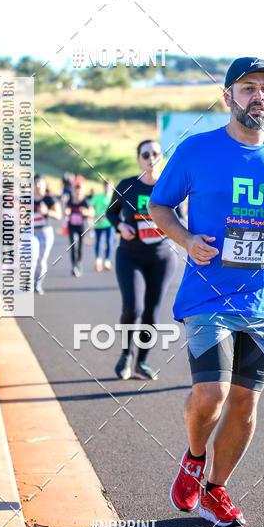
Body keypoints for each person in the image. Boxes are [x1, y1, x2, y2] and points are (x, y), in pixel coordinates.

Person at [148, 56, 264, 526]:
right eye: (248, 88)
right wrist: (186, 239)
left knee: (246, 400)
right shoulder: (196, 150)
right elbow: (159, 205)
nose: (259, 95)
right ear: (228, 97)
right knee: (212, 393)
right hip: (208, 294)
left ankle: (215, 490)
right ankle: (194, 457)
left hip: (263, 298)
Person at [106, 139, 183, 382]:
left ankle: (142, 362)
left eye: (155, 153)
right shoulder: (127, 185)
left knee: (151, 311)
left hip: (162, 258)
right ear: (138, 159)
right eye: (146, 154)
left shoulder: (169, 186)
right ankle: (126, 355)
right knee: (133, 308)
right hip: (130, 255)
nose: (151, 158)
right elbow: (111, 212)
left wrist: (169, 229)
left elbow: (180, 218)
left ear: (161, 157)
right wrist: (120, 226)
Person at [32, 174, 61, 294]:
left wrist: (46, 212)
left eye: (40, 182)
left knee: (41, 259)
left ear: (45, 184)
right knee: (31, 256)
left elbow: (59, 215)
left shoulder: (49, 199)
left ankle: (37, 283)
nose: (38, 185)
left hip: (45, 232)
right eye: (36, 182)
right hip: (30, 231)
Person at [65, 180, 93, 277]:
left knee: (80, 247)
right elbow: (66, 209)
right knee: (73, 245)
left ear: (82, 192)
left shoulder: (85, 201)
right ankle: (74, 266)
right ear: (74, 192)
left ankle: (79, 263)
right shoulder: (70, 201)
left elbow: (91, 213)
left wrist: (86, 212)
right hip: (72, 226)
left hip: (82, 227)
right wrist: (67, 212)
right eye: (76, 192)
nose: (77, 194)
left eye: (79, 193)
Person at [90, 180, 114, 271]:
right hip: (98, 223)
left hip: (110, 224)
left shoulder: (114, 198)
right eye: (106, 186)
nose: (107, 188)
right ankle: (98, 260)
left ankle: (107, 260)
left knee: (109, 242)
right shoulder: (98, 197)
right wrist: (92, 217)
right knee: (98, 242)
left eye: (109, 186)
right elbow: (91, 207)